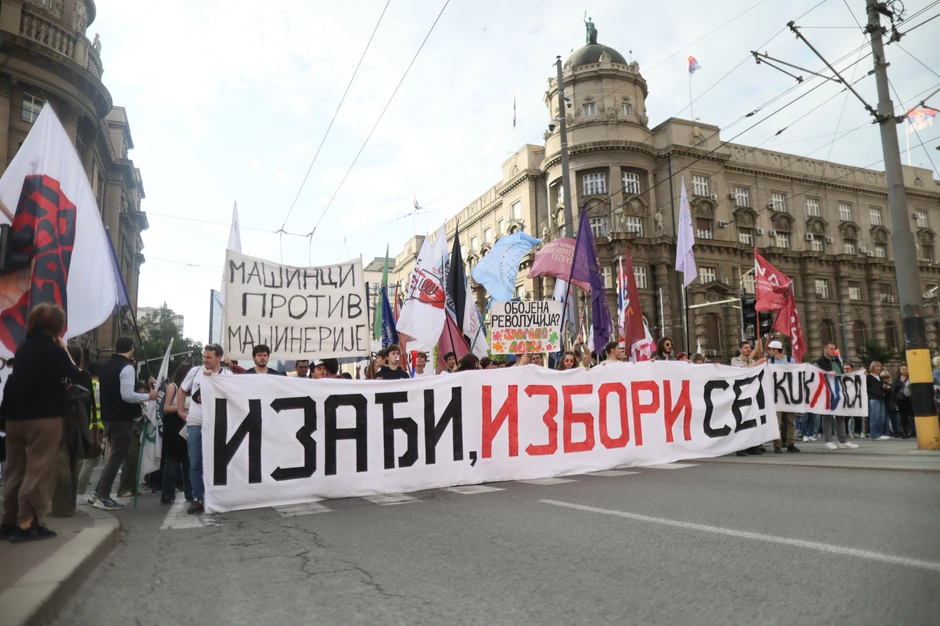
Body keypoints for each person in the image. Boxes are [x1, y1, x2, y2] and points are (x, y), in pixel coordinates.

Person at [0, 303, 81, 542]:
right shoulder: (54, 351)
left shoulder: (23, 348)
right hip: (43, 418)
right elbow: (75, 375)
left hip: (15, 418)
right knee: (39, 470)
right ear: (57, 327)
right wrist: (64, 349)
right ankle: (27, 523)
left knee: (15, 470)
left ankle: (8, 521)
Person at [91, 337, 158, 511]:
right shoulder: (126, 368)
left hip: (109, 417)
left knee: (114, 456)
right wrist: (148, 397)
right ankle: (103, 496)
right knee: (118, 457)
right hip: (122, 418)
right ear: (131, 348)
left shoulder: (106, 366)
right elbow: (127, 395)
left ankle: (97, 493)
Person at [178, 344, 232, 514]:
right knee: (195, 462)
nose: (205, 360)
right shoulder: (195, 371)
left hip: (217, 425)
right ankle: (197, 497)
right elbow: (182, 390)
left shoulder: (227, 375)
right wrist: (180, 411)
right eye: (204, 356)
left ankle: (217, 496)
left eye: (209, 357)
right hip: (195, 423)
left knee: (218, 462)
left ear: (219, 358)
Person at [50, 346, 94, 517]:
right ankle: (70, 505)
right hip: (79, 425)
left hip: (63, 422)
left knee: (62, 464)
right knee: (73, 464)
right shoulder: (85, 376)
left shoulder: (68, 375)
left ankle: (62, 507)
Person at [815, 343, 857, 450]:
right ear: (825, 349)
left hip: (838, 391)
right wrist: (827, 373)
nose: (833, 350)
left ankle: (842, 441)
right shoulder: (819, 362)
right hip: (827, 391)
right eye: (831, 349)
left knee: (841, 416)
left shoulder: (837, 361)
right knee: (827, 416)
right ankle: (828, 441)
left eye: (834, 349)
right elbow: (814, 375)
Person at [161, 364, 193, 505]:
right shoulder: (173, 387)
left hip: (188, 427)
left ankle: (190, 494)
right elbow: (166, 407)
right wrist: (182, 407)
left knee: (189, 463)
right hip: (174, 428)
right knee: (172, 463)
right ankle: (168, 495)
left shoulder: (193, 389)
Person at [732, 340, 766, 457]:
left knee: (752, 421)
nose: (748, 349)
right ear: (740, 350)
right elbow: (743, 370)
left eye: (749, 347)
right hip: (740, 396)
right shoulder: (735, 361)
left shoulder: (753, 361)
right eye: (746, 347)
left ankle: (752, 446)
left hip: (752, 396)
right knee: (741, 422)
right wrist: (758, 364)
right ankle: (740, 447)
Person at [766, 340, 800, 453]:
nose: (769, 352)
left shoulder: (790, 360)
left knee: (790, 421)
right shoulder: (770, 362)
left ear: (775, 350)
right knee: (777, 421)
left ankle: (791, 443)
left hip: (789, 396)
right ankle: (777, 444)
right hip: (776, 396)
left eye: (770, 349)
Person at [76, 362, 104, 499]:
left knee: (81, 459)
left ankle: (76, 489)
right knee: (91, 461)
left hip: (83, 424)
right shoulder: (99, 387)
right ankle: (79, 491)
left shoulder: (83, 385)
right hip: (95, 427)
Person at [866, 361, 891, 441]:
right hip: (873, 398)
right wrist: (875, 392)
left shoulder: (880, 377)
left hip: (881, 398)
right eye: (876, 366)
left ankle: (880, 434)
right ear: (872, 367)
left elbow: (881, 387)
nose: (878, 368)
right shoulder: (868, 377)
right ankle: (875, 434)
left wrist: (885, 387)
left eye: (879, 366)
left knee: (881, 417)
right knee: (874, 417)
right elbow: (866, 388)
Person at [893, 363, 915, 439]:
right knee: (903, 417)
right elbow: (894, 390)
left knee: (913, 416)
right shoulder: (897, 379)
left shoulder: (911, 378)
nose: (904, 370)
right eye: (903, 369)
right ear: (900, 370)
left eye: (906, 369)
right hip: (901, 400)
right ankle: (905, 432)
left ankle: (914, 431)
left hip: (910, 399)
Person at [882, 370, 901, 437]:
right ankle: (887, 431)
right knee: (885, 418)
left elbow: (893, 391)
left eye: (887, 377)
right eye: (883, 377)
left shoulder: (891, 385)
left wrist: (888, 387)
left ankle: (897, 431)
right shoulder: (880, 385)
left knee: (894, 418)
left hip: (891, 402)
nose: (885, 379)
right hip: (884, 402)